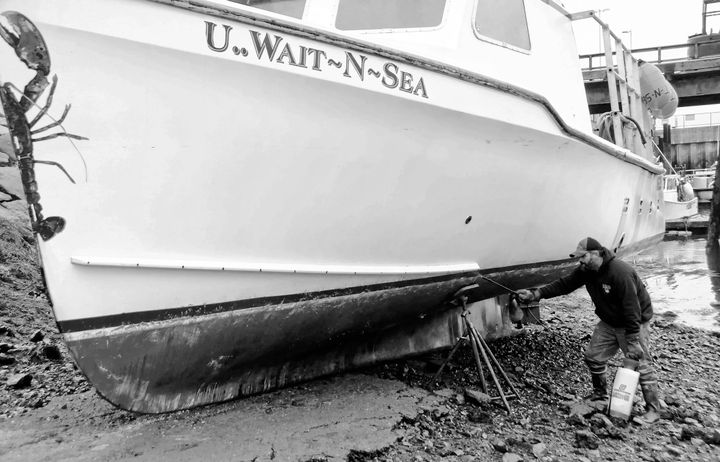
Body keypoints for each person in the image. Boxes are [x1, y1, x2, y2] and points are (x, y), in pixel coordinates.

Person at [517, 237, 662, 423]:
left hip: (632, 323)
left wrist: (633, 340)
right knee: (593, 357)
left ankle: (653, 410)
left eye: (583, 256)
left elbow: (632, 308)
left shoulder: (620, 272)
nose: (580, 261)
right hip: (609, 322)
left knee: (641, 364)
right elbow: (564, 284)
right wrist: (536, 294)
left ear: (596, 253)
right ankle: (600, 395)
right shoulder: (587, 271)